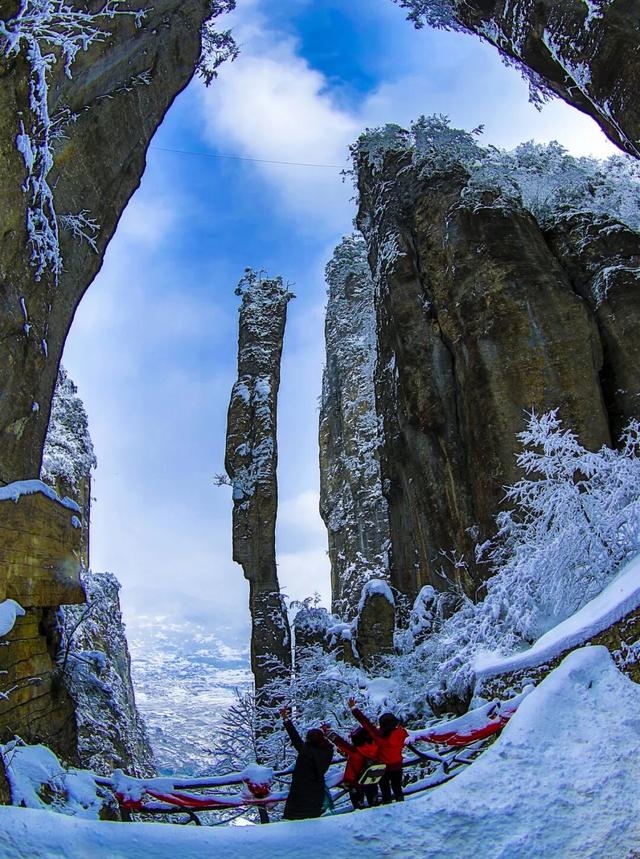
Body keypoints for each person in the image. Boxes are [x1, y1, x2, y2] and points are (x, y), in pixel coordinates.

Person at [348, 697, 408, 804]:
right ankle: (401, 804)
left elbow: (366, 723)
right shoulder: (402, 733)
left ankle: (388, 806)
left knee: (385, 791)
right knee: (397, 788)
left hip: (383, 768)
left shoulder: (379, 737)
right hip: (397, 765)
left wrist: (354, 709)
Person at [280, 706, 334, 820]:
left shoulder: (306, 751)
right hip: (317, 791)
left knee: (297, 820)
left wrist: (286, 719)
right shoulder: (328, 751)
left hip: (301, 791)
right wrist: (326, 732)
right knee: (313, 818)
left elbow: (294, 737)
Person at [322, 724, 383, 810]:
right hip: (370, 779)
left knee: (358, 808)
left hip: (355, 782)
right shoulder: (375, 746)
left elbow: (340, 742)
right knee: (374, 803)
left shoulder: (354, 751)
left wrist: (328, 732)